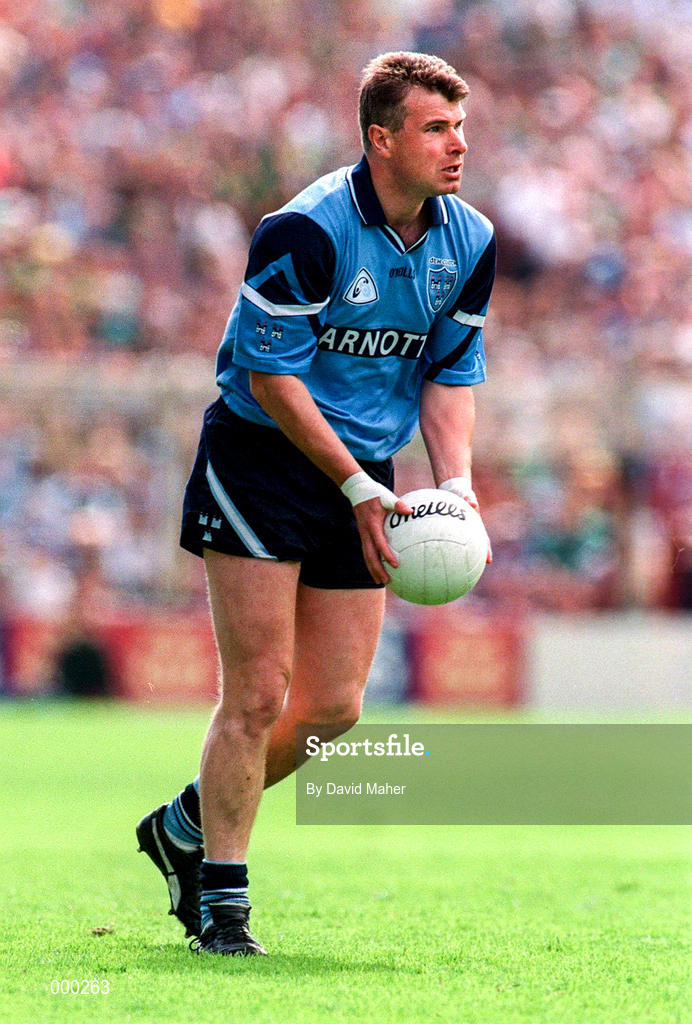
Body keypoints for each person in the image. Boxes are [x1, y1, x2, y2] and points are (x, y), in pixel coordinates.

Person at [136, 50, 496, 957]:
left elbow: (450, 376)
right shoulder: (306, 230)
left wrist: (455, 486)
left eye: (460, 127)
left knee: (334, 711)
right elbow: (271, 374)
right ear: (381, 139)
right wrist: (359, 487)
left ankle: (183, 821)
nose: (457, 145)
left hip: (364, 474)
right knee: (257, 692)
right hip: (263, 458)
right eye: (436, 128)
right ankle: (222, 901)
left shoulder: (470, 241)